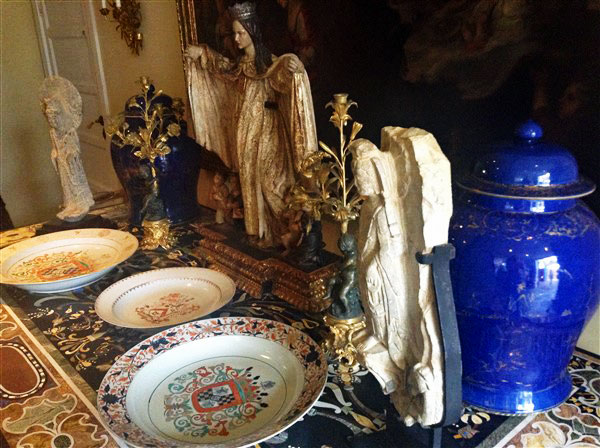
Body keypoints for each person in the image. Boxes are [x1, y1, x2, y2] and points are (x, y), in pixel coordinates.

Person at [184, 1, 317, 247]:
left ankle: (284, 233)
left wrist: (297, 70)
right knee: (249, 178)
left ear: (252, 31)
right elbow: (222, 69)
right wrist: (201, 54)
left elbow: (286, 82)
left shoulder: (270, 64)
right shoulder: (241, 66)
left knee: (271, 182)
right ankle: (260, 233)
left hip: (269, 130)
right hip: (245, 131)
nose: (236, 39)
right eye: (235, 33)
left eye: (240, 33)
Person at [39, 76, 94, 222]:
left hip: (72, 164)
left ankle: (82, 203)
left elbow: (75, 148)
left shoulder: (69, 131)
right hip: (62, 163)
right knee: (67, 187)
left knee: (76, 183)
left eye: (54, 117)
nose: (52, 121)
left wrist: (70, 154)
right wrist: (55, 153)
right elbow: (55, 148)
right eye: (49, 118)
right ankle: (70, 205)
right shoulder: (53, 132)